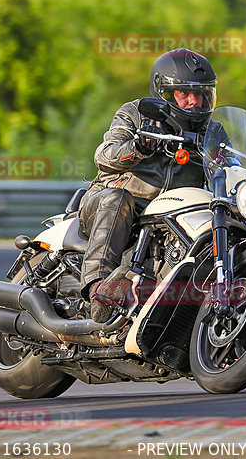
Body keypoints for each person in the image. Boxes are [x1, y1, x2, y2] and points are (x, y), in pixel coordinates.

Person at [78, 48, 217, 322]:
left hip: (169, 217)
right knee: (118, 199)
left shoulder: (213, 132)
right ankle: (99, 288)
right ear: (164, 93)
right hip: (112, 206)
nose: (194, 101)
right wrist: (138, 147)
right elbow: (104, 156)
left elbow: (232, 165)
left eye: (200, 93)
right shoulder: (137, 113)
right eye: (184, 93)